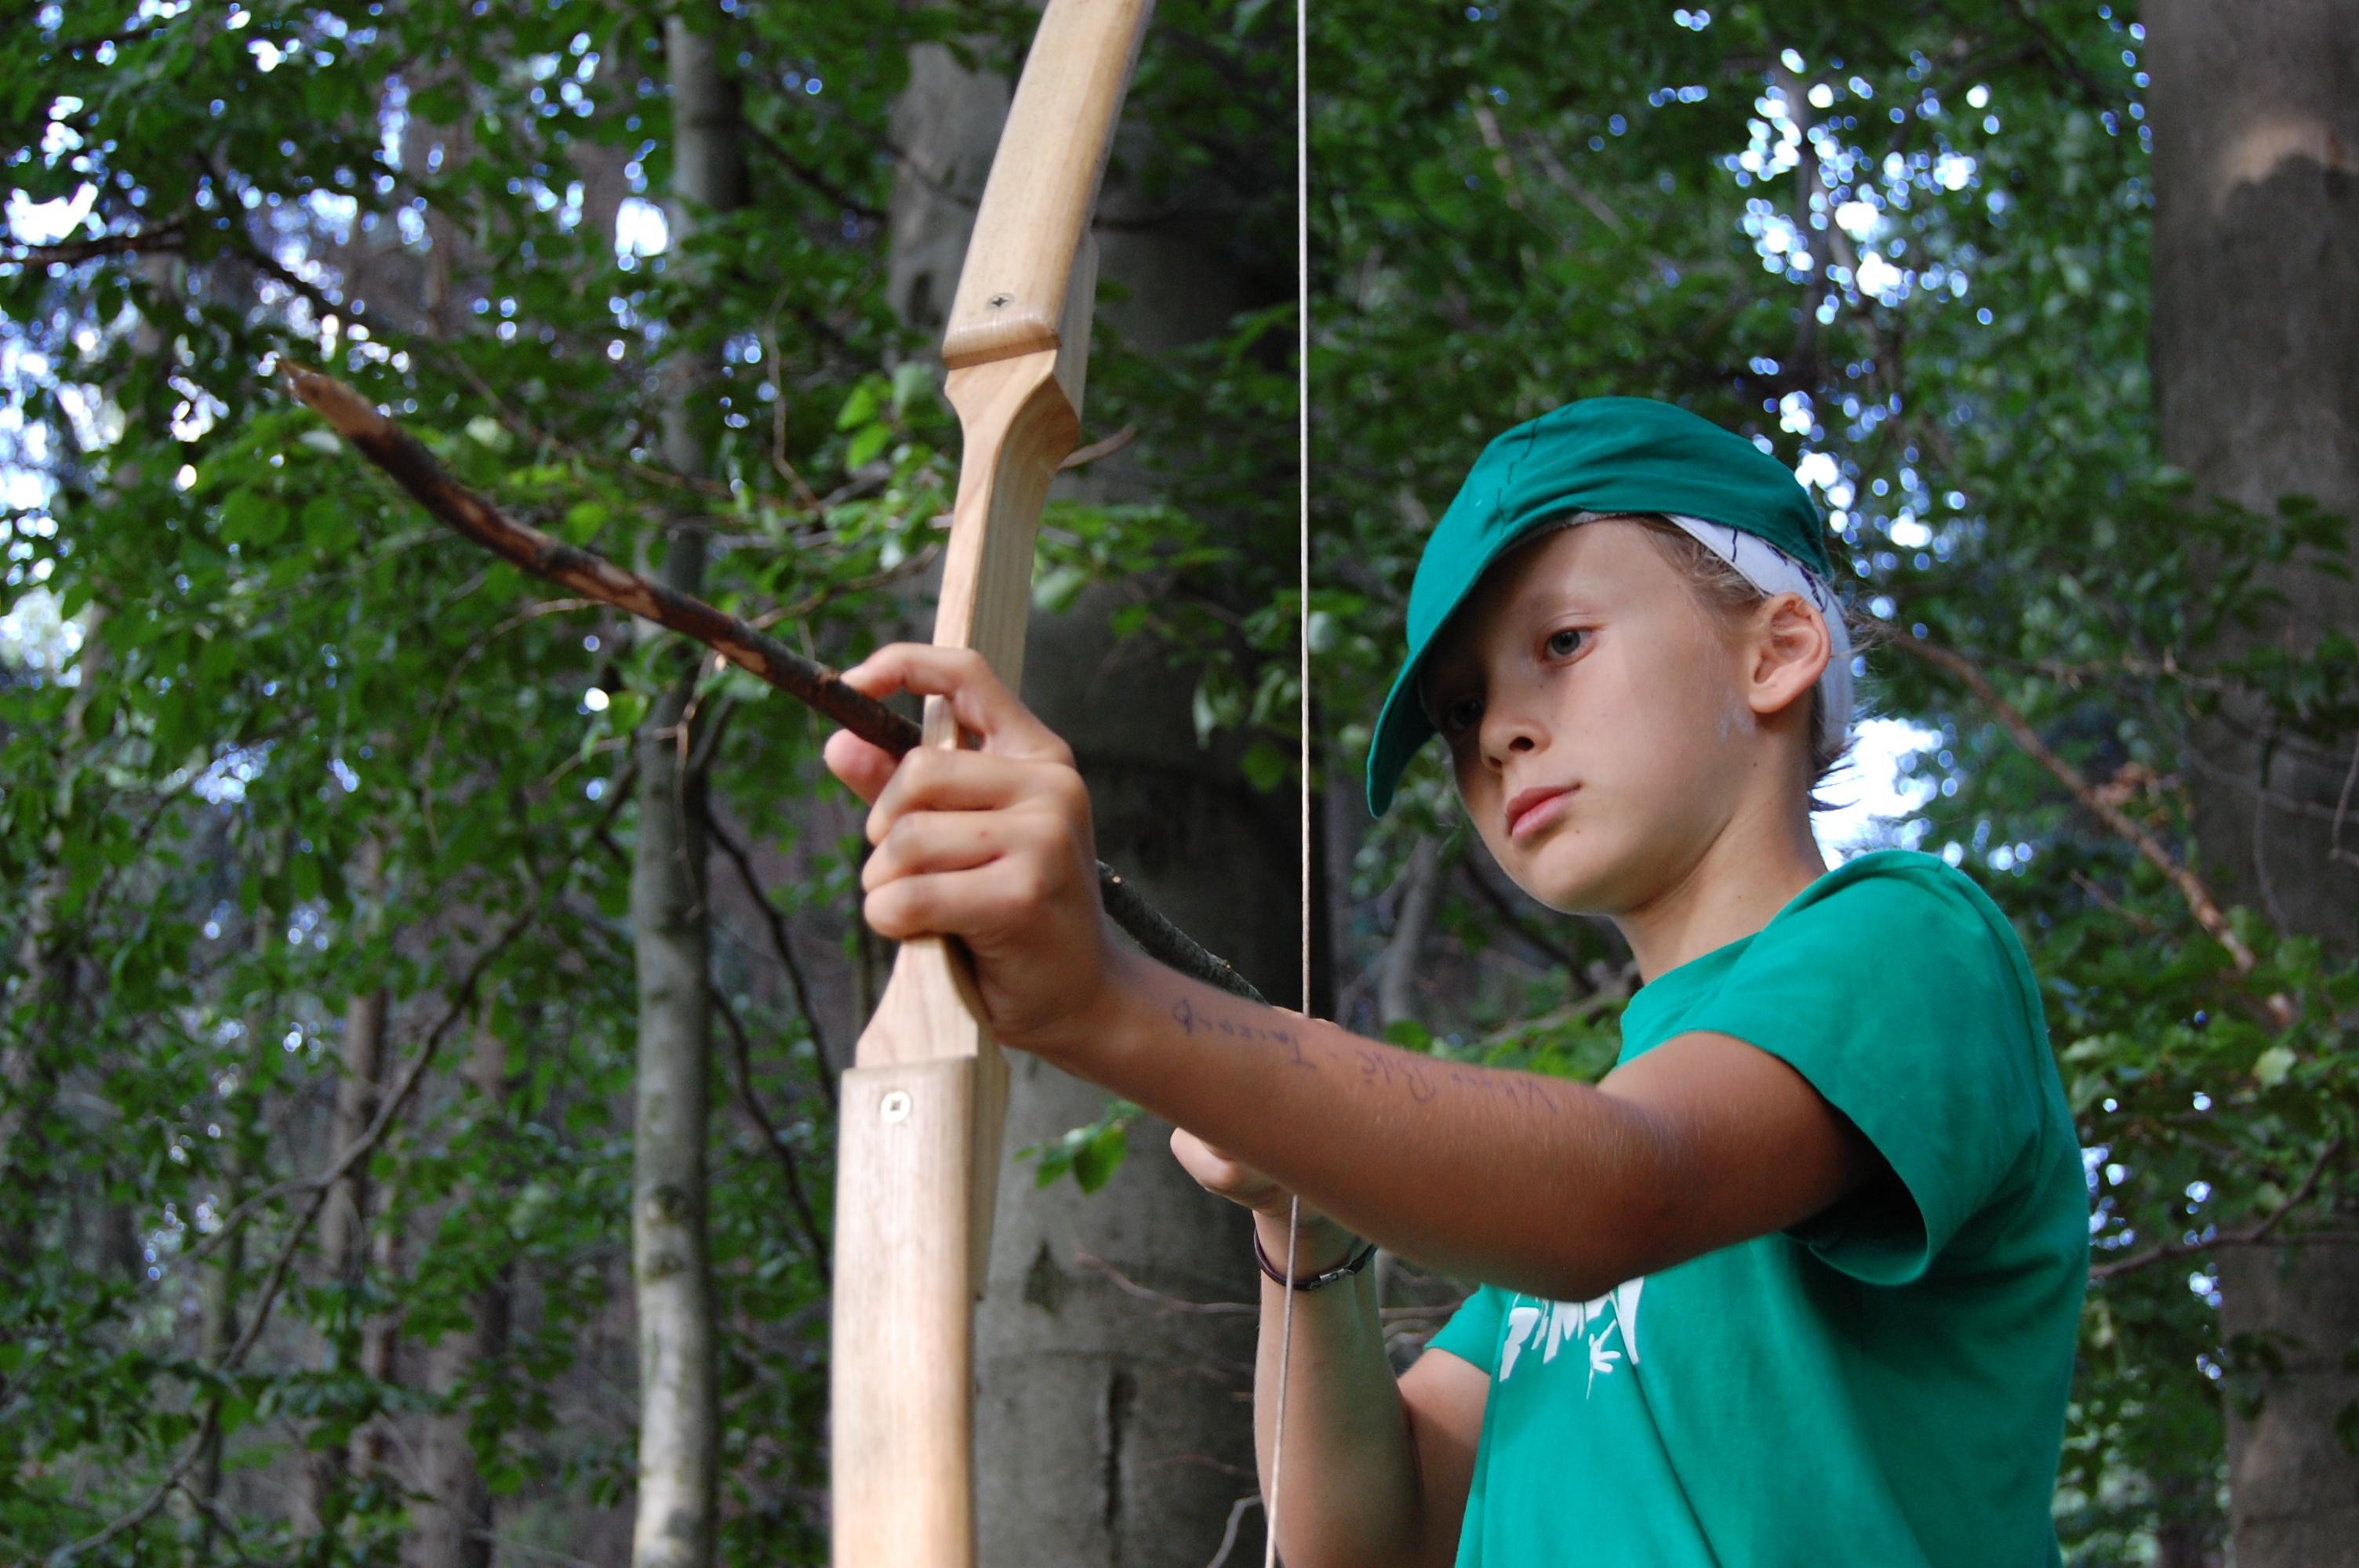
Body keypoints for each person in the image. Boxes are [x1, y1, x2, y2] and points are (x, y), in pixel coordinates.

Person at [823, 394, 2091, 1567]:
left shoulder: (1909, 944)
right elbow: (1366, 1539)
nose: (1496, 733)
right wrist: (1301, 1214)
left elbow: (1624, 1188)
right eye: (1461, 709)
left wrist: (1111, 1006)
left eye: (1564, 642)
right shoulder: (1582, 1159)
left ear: (1779, 649)